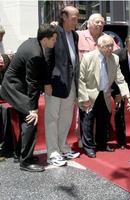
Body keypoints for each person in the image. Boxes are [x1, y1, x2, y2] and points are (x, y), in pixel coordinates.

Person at [0, 23, 57, 172]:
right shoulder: (35, 54)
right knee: (30, 120)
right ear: (45, 39)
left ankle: (20, 153)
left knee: (27, 119)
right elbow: (32, 83)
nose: (55, 42)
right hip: (13, 88)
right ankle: (25, 161)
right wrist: (33, 109)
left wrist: (47, 82)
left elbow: (41, 69)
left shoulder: (34, 41)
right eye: (53, 39)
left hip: (17, 85)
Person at [78, 34, 130, 158]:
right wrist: (84, 98)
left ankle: (102, 144)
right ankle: (89, 147)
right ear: (99, 46)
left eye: (111, 46)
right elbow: (80, 80)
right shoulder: (87, 58)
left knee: (104, 120)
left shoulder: (114, 58)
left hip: (105, 94)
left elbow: (120, 79)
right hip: (90, 94)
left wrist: (128, 96)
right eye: (107, 46)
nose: (110, 48)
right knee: (88, 121)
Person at [76, 13, 119, 148]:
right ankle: (83, 140)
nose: (100, 24)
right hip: (84, 83)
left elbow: (118, 55)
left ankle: (100, 142)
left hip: (102, 85)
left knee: (102, 116)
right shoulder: (77, 36)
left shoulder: (107, 39)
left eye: (102, 22)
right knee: (84, 116)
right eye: (97, 22)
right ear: (88, 23)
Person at [44, 6, 80, 167]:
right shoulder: (54, 32)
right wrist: (46, 83)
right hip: (54, 83)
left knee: (66, 118)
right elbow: (46, 58)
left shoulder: (75, 35)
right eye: (73, 17)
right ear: (64, 17)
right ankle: (52, 152)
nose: (76, 20)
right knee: (52, 118)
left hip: (70, 82)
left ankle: (63, 148)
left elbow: (74, 61)